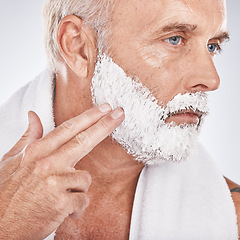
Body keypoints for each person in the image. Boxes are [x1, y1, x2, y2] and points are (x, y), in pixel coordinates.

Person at [0, 0, 239, 239]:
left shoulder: (233, 218)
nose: (211, 79)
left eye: (212, 46)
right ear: (79, 47)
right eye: (174, 39)